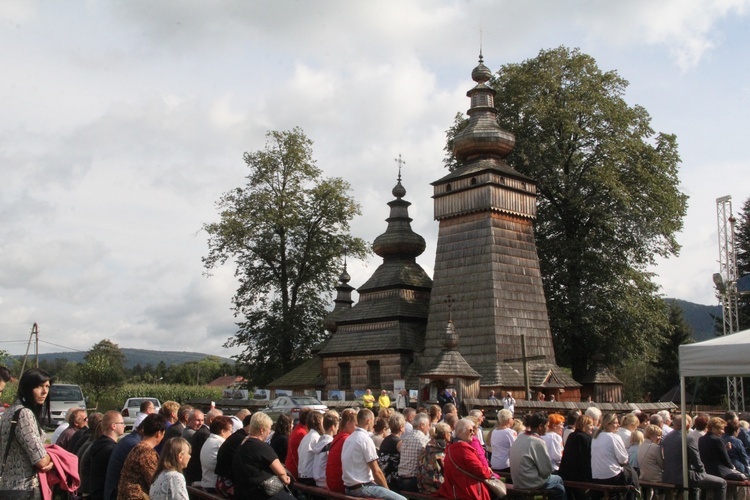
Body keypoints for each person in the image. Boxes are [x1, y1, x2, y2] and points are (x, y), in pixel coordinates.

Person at [0, 367, 54, 496]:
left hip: (8, 488)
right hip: (24, 488)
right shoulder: (24, 413)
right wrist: (53, 456)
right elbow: (40, 460)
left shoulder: (9, 412)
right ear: (28, 388)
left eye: (47, 386)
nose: (44, 391)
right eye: (39, 386)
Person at [341, 408, 406, 499]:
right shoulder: (365, 439)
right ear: (368, 421)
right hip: (361, 487)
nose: (374, 424)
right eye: (373, 421)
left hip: (349, 487)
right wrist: (387, 491)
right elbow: (376, 471)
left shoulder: (349, 439)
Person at [662, 414, 726, 500]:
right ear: (688, 425)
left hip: (669, 476)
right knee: (722, 483)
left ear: (673, 424)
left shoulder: (667, 437)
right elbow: (696, 460)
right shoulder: (688, 438)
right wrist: (702, 472)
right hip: (684, 476)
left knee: (696, 487)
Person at [232, 412, 294, 499]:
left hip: (242, 492)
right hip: (261, 493)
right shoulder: (262, 447)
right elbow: (281, 472)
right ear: (262, 430)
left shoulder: (242, 444)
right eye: (269, 429)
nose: (269, 432)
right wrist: (286, 479)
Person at [509, 412, 566, 500]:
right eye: (546, 426)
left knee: (559, 488)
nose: (547, 429)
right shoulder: (538, 442)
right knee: (558, 480)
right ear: (540, 426)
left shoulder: (520, 437)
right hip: (531, 482)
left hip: (517, 480)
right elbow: (546, 471)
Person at [440, 418, 494, 500]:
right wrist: (488, 471)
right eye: (470, 430)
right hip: (468, 492)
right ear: (460, 432)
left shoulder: (451, 447)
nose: (473, 433)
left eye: (473, 430)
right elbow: (481, 471)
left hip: (457, 489)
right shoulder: (463, 449)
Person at [117, 414, 167, 499]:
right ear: (158, 433)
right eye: (163, 433)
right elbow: (155, 482)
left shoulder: (137, 448)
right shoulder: (146, 453)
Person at [591, 413, 634, 497]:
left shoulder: (595, 437)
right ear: (607, 424)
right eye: (615, 423)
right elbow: (623, 459)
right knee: (632, 477)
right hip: (611, 475)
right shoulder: (614, 437)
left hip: (596, 475)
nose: (618, 425)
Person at [89, 411, 127, 500]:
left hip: (96, 493)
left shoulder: (98, 443)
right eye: (122, 423)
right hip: (103, 494)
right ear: (113, 426)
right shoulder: (110, 449)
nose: (124, 426)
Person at [215, 413, 252, 497]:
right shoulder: (243, 439)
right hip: (228, 485)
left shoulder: (236, 436)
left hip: (221, 482)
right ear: (250, 426)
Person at [558, 415, 594, 500]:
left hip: (567, 475)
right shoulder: (585, 438)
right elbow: (587, 459)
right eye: (590, 425)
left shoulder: (572, 436)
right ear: (583, 426)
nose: (593, 428)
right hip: (581, 478)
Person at [198, 415, 234, 491]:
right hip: (215, 485)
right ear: (223, 431)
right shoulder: (221, 443)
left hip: (206, 482)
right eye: (230, 431)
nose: (231, 434)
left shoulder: (208, 440)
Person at [326, 408, 358, 493]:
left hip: (331, 483)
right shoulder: (347, 439)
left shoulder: (338, 437)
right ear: (348, 424)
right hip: (340, 484)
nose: (357, 428)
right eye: (356, 425)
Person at [397, 412, 431, 491]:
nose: (429, 428)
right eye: (428, 425)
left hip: (400, 479)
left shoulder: (404, 439)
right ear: (422, 425)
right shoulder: (425, 441)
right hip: (414, 481)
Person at [418, 421, 451, 494]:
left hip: (422, 484)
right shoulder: (441, 450)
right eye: (450, 432)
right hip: (436, 486)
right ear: (445, 435)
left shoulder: (428, 445)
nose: (451, 435)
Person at [312, 410, 340, 488]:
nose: (338, 429)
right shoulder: (330, 443)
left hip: (317, 480)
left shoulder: (320, 441)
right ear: (333, 427)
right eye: (337, 427)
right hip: (325, 481)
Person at [379, 412, 404, 491]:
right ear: (401, 427)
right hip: (394, 480)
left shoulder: (385, 440)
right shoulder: (398, 442)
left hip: (384, 476)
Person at [297, 411, 324, 485]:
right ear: (319, 423)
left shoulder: (306, 437)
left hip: (301, 475)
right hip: (309, 476)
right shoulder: (316, 438)